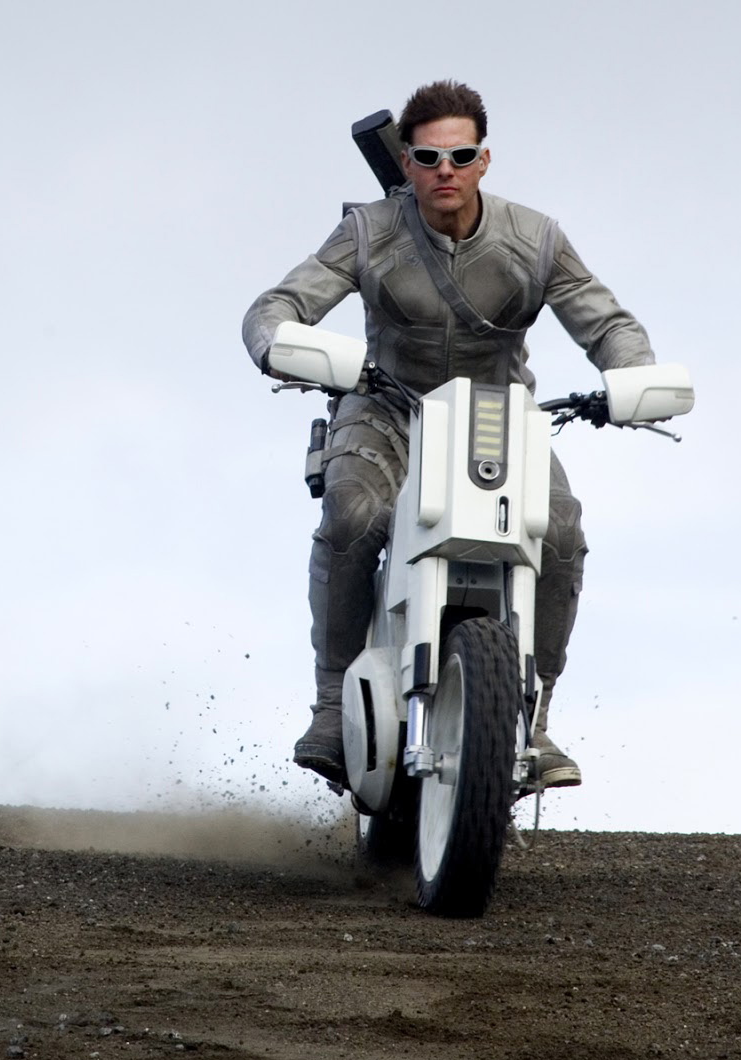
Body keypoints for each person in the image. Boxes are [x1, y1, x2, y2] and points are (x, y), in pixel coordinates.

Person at [242, 80, 656, 792]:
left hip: (495, 416)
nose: (445, 170)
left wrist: (632, 377)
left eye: (460, 155)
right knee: (353, 513)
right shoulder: (369, 232)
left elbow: (608, 323)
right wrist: (278, 342)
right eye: (428, 157)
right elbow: (277, 305)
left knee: (558, 530)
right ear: (405, 161)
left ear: (484, 159)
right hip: (386, 408)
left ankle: (533, 717)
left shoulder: (536, 239)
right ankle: (331, 702)